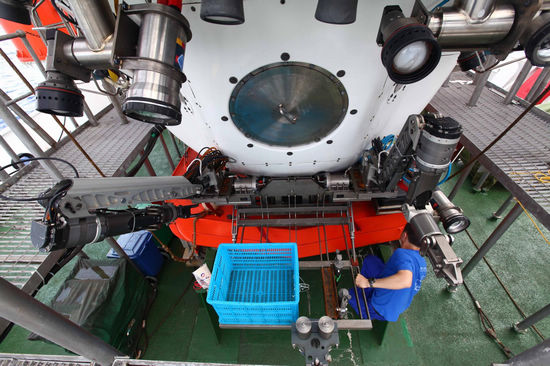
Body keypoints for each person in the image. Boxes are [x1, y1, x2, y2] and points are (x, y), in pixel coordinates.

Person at [349, 223, 427, 322]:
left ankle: (366, 311)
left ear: (404, 235)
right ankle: (369, 288)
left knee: (349, 295)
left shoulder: (402, 254)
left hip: (380, 308)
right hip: (396, 303)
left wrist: (368, 282)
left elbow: (405, 281)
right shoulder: (422, 261)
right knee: (370, 261)